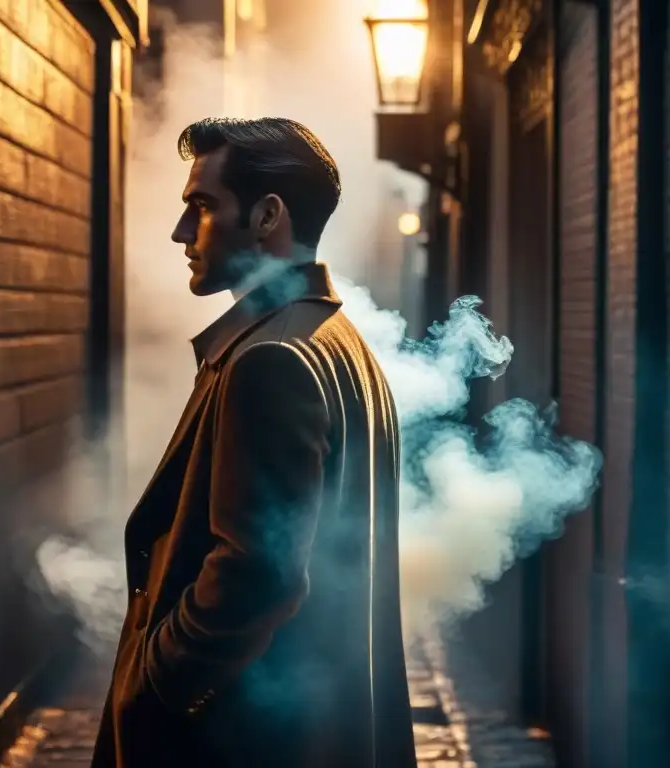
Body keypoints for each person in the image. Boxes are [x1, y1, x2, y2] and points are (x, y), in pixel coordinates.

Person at [91, 117, 416, 768]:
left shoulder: (270, 360)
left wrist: (155, 681)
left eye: (202, 207)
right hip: (309, 725)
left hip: (250, 738)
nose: (183, 232)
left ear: (268, 215)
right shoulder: (335, 340)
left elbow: (257, 573)